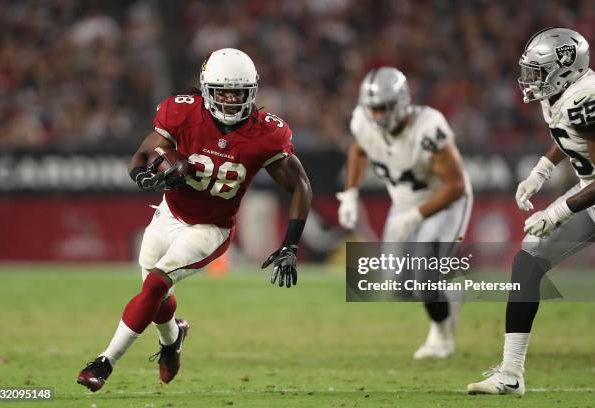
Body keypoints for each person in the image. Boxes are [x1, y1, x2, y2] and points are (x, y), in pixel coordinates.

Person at [77, 48, 312, 392]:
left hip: (210, 228)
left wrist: (290, 243)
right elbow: (143, 154)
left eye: (239, 92)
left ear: (253, 92)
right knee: (153, 294)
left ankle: (104, 362)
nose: (231, 100)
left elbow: (300, 185)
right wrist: (142, 176)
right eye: (223, 91)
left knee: (156, 285)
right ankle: (172, 341)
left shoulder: (267, 133)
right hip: (168, 214)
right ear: (206, 88)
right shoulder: (180, 112)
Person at [468, 27, 595, 396]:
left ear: (565, 68)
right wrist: (541, 171)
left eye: (539, 71)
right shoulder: (563, 96)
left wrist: (557, 210)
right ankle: (510, 373)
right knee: (529, 260)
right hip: (592, 196)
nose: (531, 80)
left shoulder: (587, 100)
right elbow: (566, 133)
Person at [337, 67, 473, 359]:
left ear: (400, 102)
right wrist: (350, 193)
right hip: (404, 203)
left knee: (423, 275)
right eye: (372, 109)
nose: (377, 116)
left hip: (444, 201)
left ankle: (441, 335)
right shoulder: (362, 122)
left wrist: (413, 218)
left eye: (383, 108)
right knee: (398, 285)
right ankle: (449, 293)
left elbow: (456, 185)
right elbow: (359, 151)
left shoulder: (429, 128)